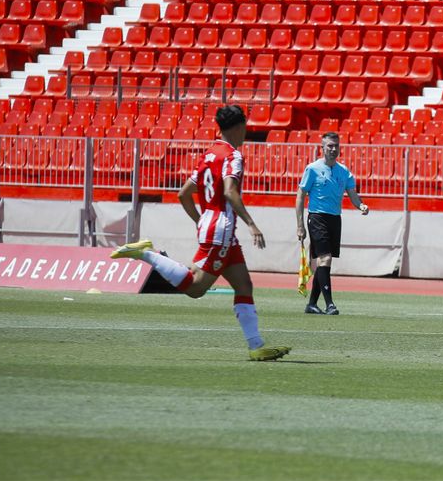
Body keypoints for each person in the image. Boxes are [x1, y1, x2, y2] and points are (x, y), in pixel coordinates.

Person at [111, 104, 289, 361]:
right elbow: (229, 191)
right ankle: (147, 254)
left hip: (214, 226)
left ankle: (256, 346)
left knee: (243, 285)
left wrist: (201, 221)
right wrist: (251, 224)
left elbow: (183, 194)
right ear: (240, 127)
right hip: (222, 229)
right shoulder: (232, 156)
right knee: (195, 288)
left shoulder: (208, 155)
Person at [294, 131, 369, 315]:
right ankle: (330, 304)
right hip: (317, 217)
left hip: (335, 218)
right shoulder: (312, 169)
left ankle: (311, 304)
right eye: (330, 146)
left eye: (336, 146)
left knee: (323, 262)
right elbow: (300, 195)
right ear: (322, 148)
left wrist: (361, 205)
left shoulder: (344, 172)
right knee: (324, 258)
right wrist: (300, 225)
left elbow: (352, 195)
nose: (333, 149)